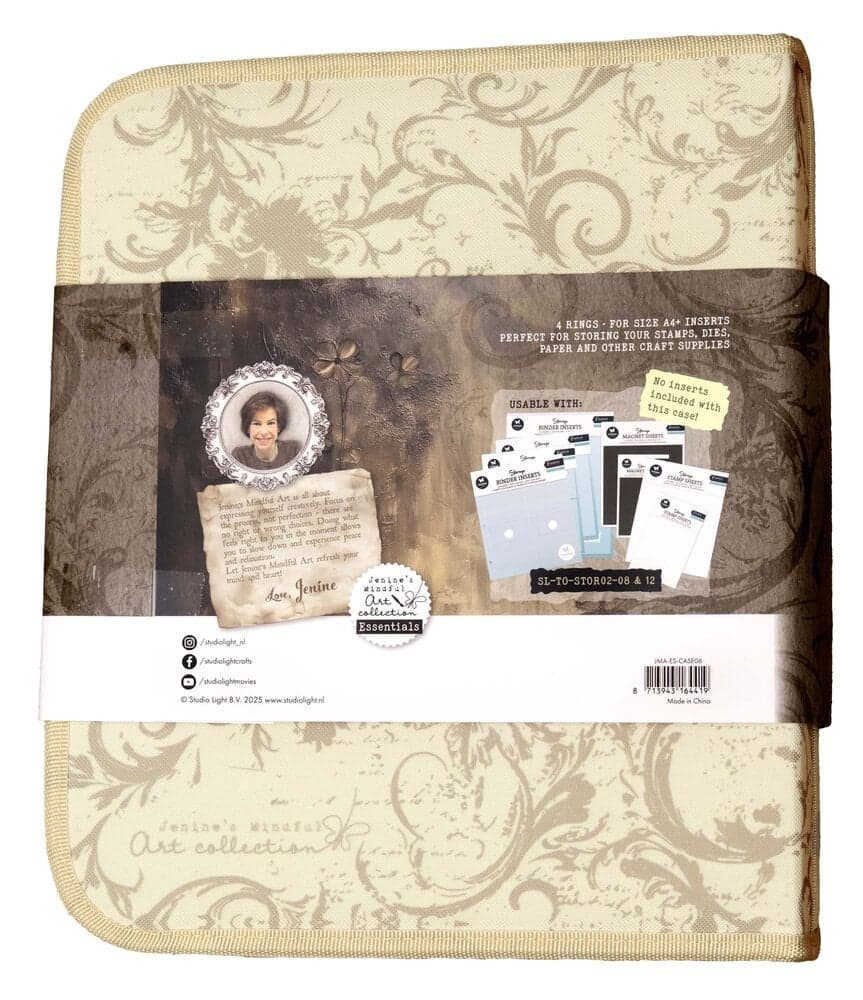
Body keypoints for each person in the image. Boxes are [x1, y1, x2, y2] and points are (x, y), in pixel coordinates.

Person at [231, 390, 300, 471]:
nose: (264, 432)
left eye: (270, 423)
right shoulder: (239, 456)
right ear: (248, 428)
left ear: (278, 427)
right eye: (257, 424)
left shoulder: (294, 451)